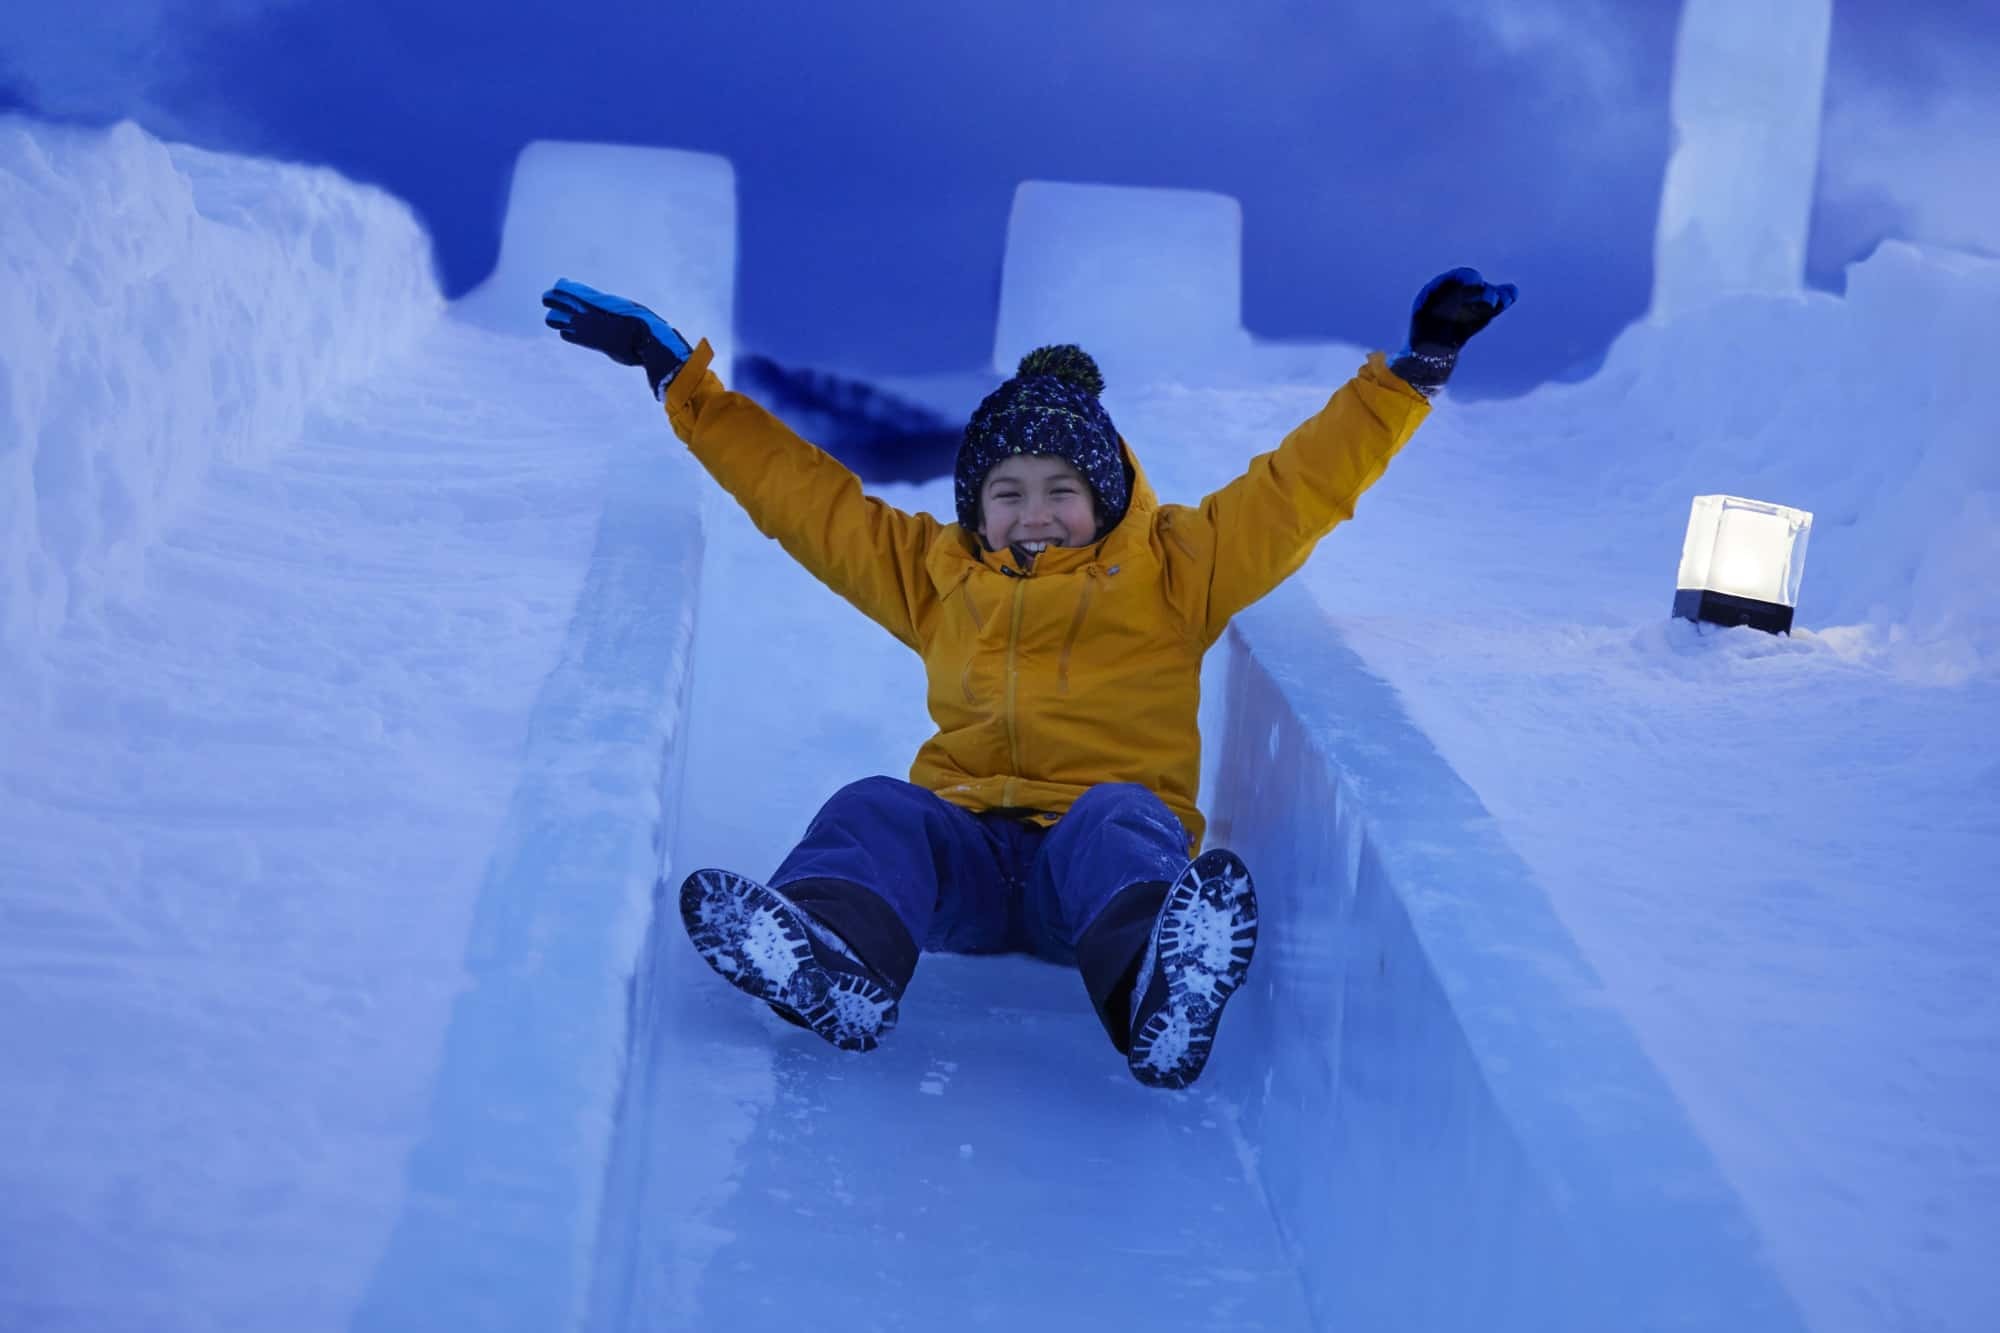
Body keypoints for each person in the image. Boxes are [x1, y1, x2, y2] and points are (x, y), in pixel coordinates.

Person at [542, 267, 1514, 1088]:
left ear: (1104, 493)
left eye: (1060, 489)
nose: (1033, 511)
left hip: (1088, 881)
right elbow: (802, 497)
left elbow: (1300, 486)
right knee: (876, 806)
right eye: (1006, 493)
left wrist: (1411, 372)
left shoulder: (1179, 568)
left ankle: (1154, 982)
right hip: (963, 853)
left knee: (1119, 816)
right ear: (976, 504)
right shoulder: (935, 575)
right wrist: (681, 381)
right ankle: (834, 955)